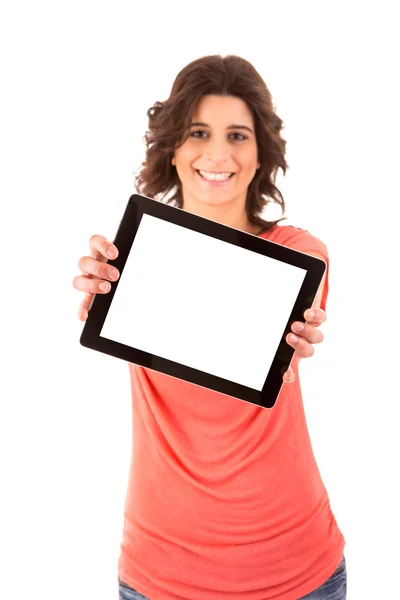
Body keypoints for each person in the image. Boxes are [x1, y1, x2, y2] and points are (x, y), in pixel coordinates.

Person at [73, 55, 346, 600]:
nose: (218, 153)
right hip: (160, 577)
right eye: (198, 132)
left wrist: (295, 336)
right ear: (172, 147)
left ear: (261, 152)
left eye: (238, 135)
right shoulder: (128, 258)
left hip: (298, 574)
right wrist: (99, 293)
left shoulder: (298, 255)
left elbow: (297, 321)